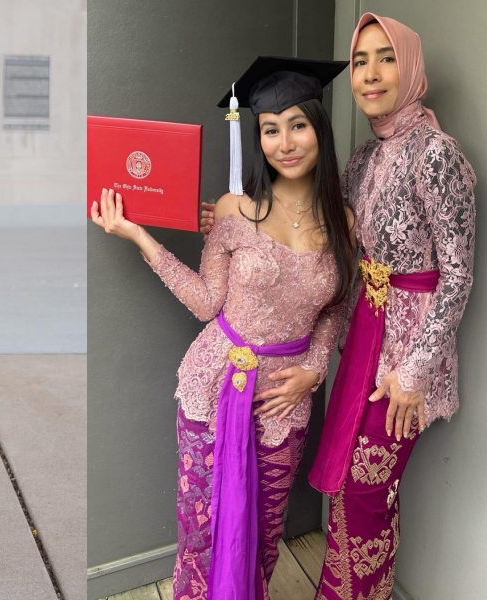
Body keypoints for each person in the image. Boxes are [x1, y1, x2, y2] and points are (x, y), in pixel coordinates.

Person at [200, 17, 476, 598]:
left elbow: (457, 276)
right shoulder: (359, 161)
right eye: (360, 62)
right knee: (350, 490)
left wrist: (414, 373)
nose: (371, 74)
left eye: (386, 58)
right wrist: (235, 226)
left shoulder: (438, 155)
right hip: (359, 342)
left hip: (404, 357)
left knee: (368, 491)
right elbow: (321, 239)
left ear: (410, 65)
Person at [92, 58, 356, 599]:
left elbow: (334, 307)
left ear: (318, 128)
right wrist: (138, 236)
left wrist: (313, 369)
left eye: (297, 124)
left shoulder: (344, 220)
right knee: (203, 528)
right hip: (213, 386)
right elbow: (206, 302)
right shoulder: (236, 209)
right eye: (269, 129)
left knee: (264, 533)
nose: (285, 141)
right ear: (256, 137)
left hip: (284, 401)